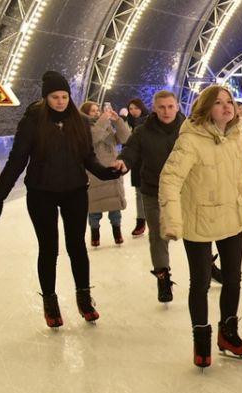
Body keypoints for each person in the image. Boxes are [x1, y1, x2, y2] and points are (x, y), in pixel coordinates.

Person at [0, 71, 125, 326]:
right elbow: (17, 160)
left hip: (74, 191)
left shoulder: (79, 121)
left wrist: (107, 173)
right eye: (55, 97)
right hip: (42, 193)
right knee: (48, 248)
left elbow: (88, 158)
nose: (61, 101)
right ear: (45, 98)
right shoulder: (32, 122)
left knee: (77, 246)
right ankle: (50, 303)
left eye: (64, 96)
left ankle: (84, 298)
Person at [159, 84, 242, 369]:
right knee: (201, 282)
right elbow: (170, 180)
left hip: (230, 218)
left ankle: (228, 334)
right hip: (199, 220)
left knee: (232, 279)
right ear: (206, 108)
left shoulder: (235, 138)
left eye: (229, 101)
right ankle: (201, 341)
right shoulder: (191, 139)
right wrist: (172, 220)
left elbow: (237, 176)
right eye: (219, 103)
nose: (227, 107)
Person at [119, 90, 185, 302]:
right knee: (158, 234)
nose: (166, 111)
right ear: (155, 109)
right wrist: (123, 162)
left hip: (185, 190)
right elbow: (130, 150)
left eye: (170, 106)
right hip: (153, 189)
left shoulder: (189, 129)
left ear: (177, 107)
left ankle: (206, 267)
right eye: (162, 107)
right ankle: (163, 276)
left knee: (197, 232)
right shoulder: (143, 131)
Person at [79, 100, 132, 246]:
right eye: (93, 111)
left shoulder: (106, 126)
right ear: (85, 113)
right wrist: (103, 120)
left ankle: (117, 232)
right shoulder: (82, 126)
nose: (97, 113)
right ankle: (95, 234)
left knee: (115, 207)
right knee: (94, 208)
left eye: (98, 110)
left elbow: (125, 138)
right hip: (95, 172)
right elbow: (93, 138)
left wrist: (118, 121)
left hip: (111, 169)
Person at [124, 98, 149, 236]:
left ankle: (160, 220)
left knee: (156, 193)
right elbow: (125, 141)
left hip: (150, 161)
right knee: (139, 193)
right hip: (136, 162)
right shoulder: (127, 122)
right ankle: (141, 221)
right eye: (131, 108)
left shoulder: (149, 120)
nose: (133, 111)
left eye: (136, 108)